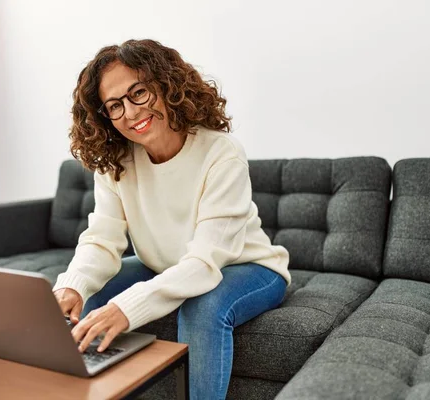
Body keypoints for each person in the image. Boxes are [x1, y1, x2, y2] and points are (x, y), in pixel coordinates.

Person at [52, 39, 291, 400]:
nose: (130, 113)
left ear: (166, 86)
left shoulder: (220, 153)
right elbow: (102, 240)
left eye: (138, 93)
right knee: (84, 295)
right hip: (164, 266)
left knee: (202, 309)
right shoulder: (117, 162)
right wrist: (71, 286)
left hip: (247, 266)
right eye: (115, 106)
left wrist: (127, 308)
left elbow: (204, 263)